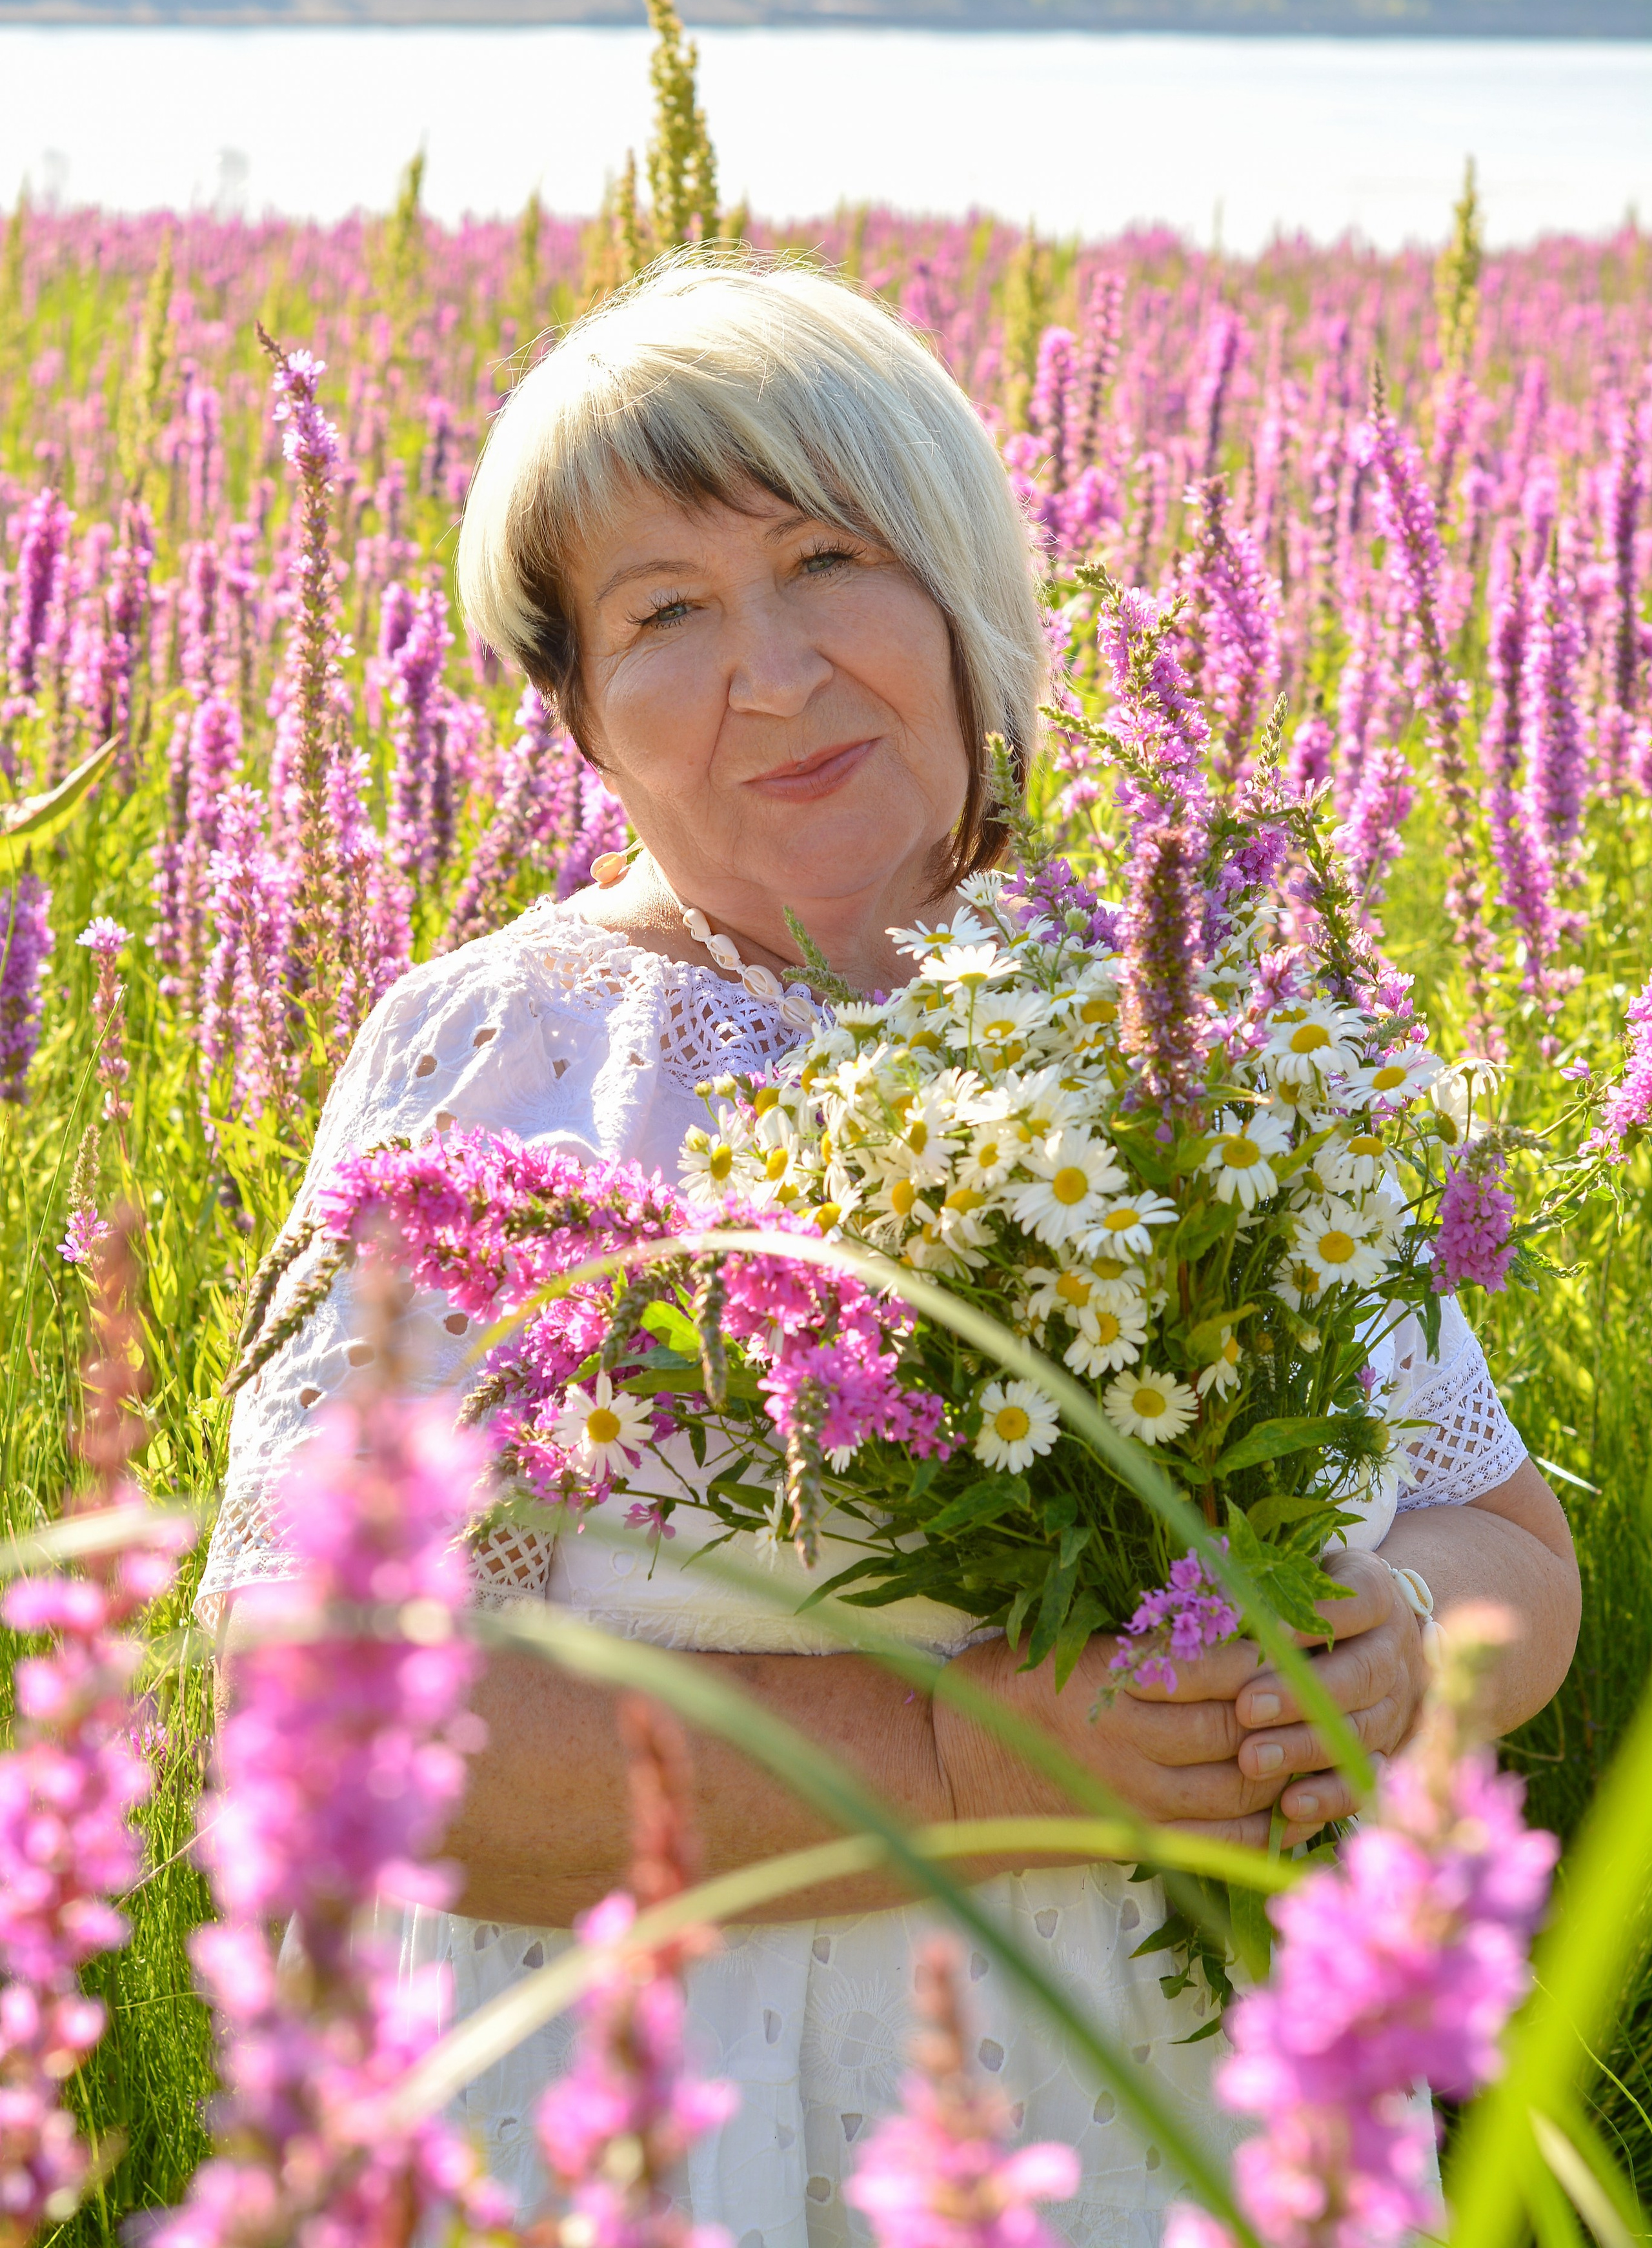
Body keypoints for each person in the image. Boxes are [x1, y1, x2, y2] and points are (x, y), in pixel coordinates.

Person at [200, 256, 1580, 2247]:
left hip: (1182, 2128)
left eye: (826, 557)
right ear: (578, 710)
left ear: (963, 585)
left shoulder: (1230, 1036)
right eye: (664, 611)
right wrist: (962, 1755)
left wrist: (1374, 1658)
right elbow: (317, 1711)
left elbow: (1505, 1552)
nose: (769, 670)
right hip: (665, 2143)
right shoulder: (507, 1074)